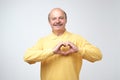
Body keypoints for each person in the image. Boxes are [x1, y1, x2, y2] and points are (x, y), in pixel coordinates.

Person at [24, 8, 102, 80]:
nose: (57, 21)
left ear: (66, 20)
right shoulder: (43, 41)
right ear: (49, 22)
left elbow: (98, 55)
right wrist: (52, 52)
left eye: (61, 18)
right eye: (54, 18)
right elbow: (27, 57)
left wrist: (78, 50)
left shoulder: (77, 39)